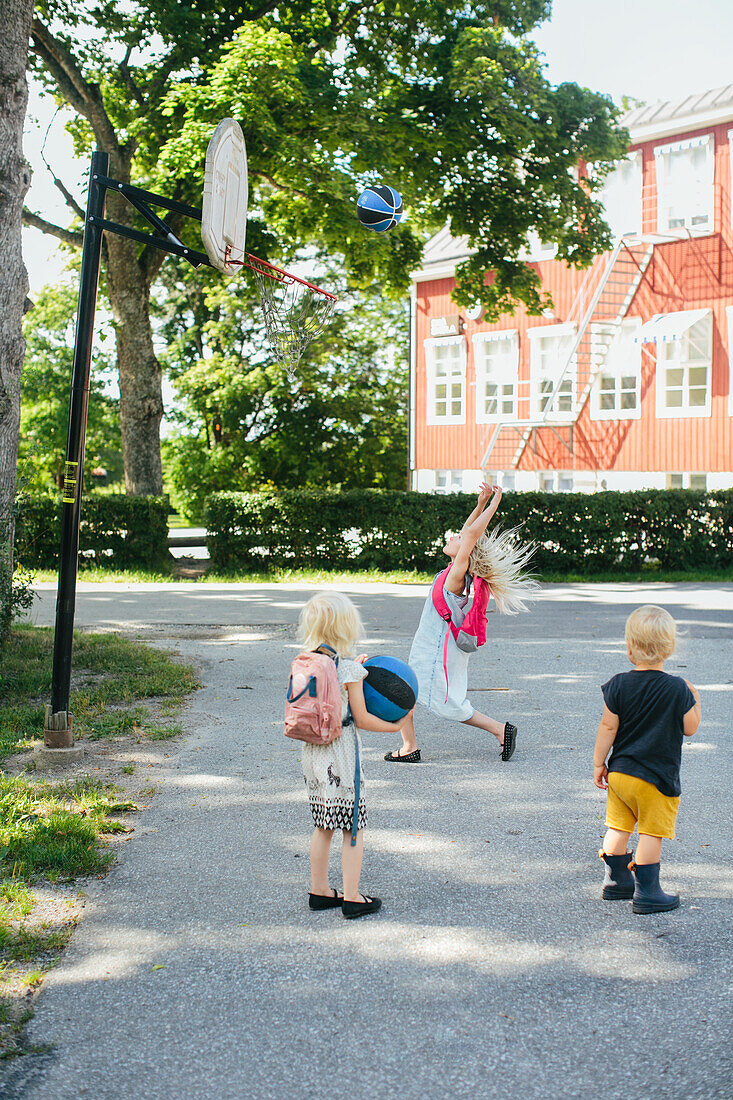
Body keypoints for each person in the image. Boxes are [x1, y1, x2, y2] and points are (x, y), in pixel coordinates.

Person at [384, 483, 537, 764]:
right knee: (407, 690)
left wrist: (493, 505)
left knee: (445, 704)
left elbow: (470, 534)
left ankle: (500, 729)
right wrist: (479, 504)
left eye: (458, 539)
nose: (455, 536)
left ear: (465, 552)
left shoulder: (457, 574)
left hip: (436, 652)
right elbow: (468, 530)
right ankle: (409, 747)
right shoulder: (451, 570)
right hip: (431, 647)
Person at [298, 591, 407, 919]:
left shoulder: (309, 661)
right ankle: (352, 896)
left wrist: (352, 671)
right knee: (352, 827)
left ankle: (319, 891)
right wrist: (395, 726)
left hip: (313, 754)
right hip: (341, 755)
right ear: (347, 627)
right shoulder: (348, 670)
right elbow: (361, 718)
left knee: (323, 825)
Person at [593, 604, 701, 914]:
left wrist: (600, 763)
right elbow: (690, 728)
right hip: (656, 779)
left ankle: (616, 881)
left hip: (621, 775)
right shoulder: (677, 688)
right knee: (652, 833)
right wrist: (694, 698)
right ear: (669, 648)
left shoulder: (617, 685)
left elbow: (607, 727)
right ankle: (648, 892)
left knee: (618, 826)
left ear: (629, 648)